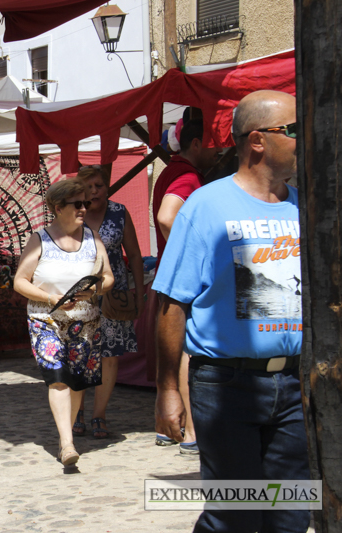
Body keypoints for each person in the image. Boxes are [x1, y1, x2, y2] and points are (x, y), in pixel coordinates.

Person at [154, 90, 308, 532]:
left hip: (294, 386)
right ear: (257, 140)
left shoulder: (303, 205)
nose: (304, 138)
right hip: (227, 385)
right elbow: (171, 302)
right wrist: (168, 388)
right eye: (293, 130)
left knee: (292, 515)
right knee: (235, 514)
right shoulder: (206, 206)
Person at [14, 179, 114, 466]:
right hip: (46, 319)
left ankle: (65, 436)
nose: (85, 208)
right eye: (78, 204)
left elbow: (108, 276)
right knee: (58, 379)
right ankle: (67, 443)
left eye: (87, 203)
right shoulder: (40, 239)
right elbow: (20, 280)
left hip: (84, 320)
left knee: (78, 383)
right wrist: (49, 297)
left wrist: (93, 290)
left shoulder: (92, 238)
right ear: (58, 208)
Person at [151, 118, 222, 454]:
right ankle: (191, 430)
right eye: (214, 142)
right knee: (187, 351)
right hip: (183, 277)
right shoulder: (187, 175)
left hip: (172, 273)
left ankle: (171, 427)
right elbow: (167, 216)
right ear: (196, 144)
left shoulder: (173, 170)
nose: (220, 149)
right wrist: (192, 254)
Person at [74, 167, 145, 439]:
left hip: (113, 294)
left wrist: (139, 291)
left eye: (99, 185)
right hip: (80, 294)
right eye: (89, 186)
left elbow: (136, 256)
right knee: (79, 352)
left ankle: (99, 413)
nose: (95, 191)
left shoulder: (119, 213)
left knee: (110, 355)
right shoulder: (73, 214)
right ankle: (77, 409)